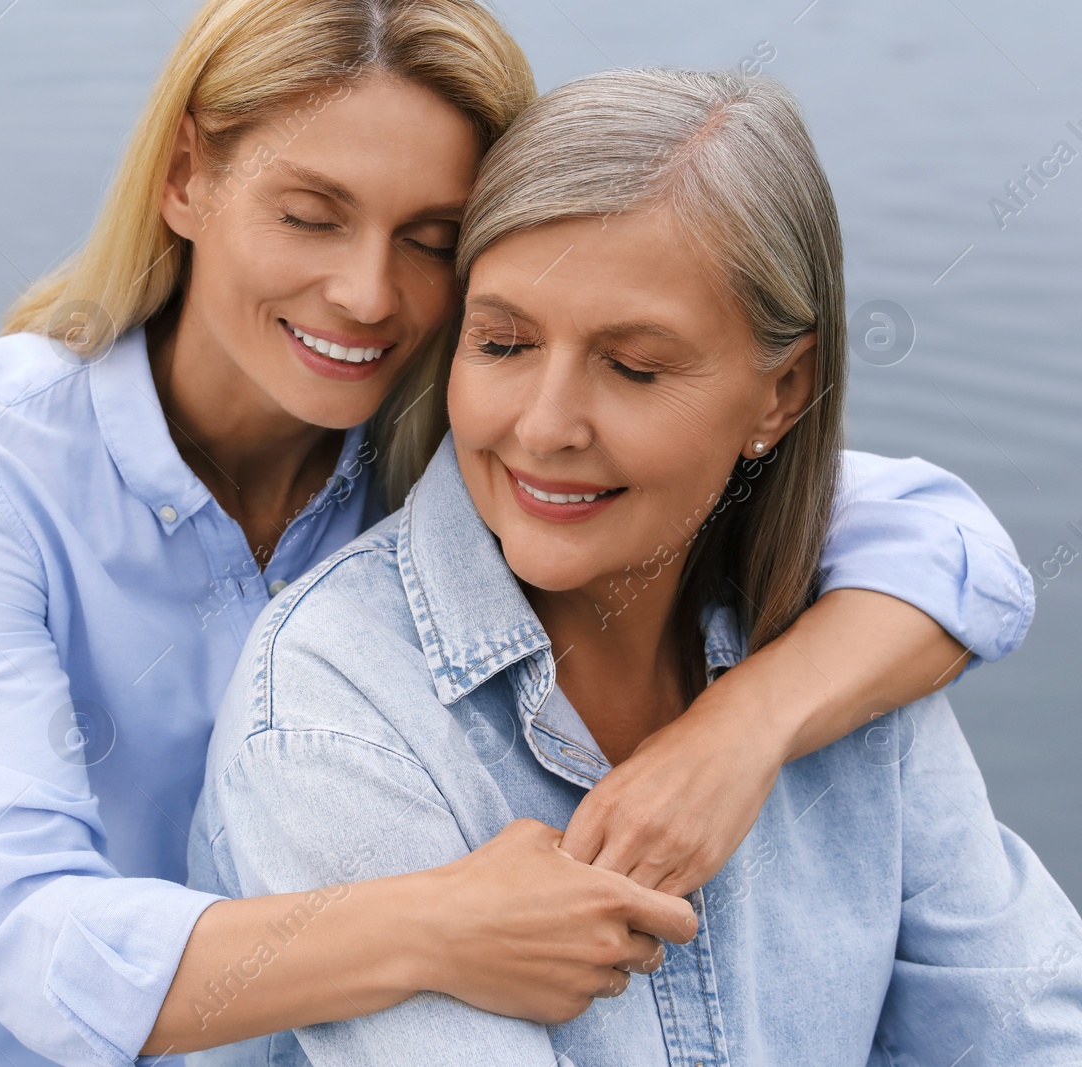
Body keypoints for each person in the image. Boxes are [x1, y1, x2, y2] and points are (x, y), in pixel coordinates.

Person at [0, 4, 1037, 1066]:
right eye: (310, 216)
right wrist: (433, 923)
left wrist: (738, 730)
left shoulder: (460, 422)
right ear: (187, 176)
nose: (368, 296)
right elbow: (19, 927)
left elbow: (931, 535)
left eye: (430, 243)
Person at [187, 67, 1082, 1066]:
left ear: (779, 392)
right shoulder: (333, 706)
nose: (545, 425)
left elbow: (1024, 1028)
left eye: (633, 367)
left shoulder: (851, 641)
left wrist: (745, 727)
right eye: (503, 343)